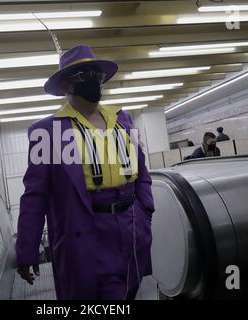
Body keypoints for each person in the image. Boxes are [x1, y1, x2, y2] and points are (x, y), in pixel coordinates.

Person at [15, 45, 154, 300]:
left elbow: (142, 170)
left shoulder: (123, 119)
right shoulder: (47, 132)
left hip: (132, 225)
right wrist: (27, 248)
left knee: (130, 288)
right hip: (87, 230)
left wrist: (146, 209)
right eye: (82, 75)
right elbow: (36, 195)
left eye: (96, 74)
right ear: (66, 86)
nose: (92, 80)